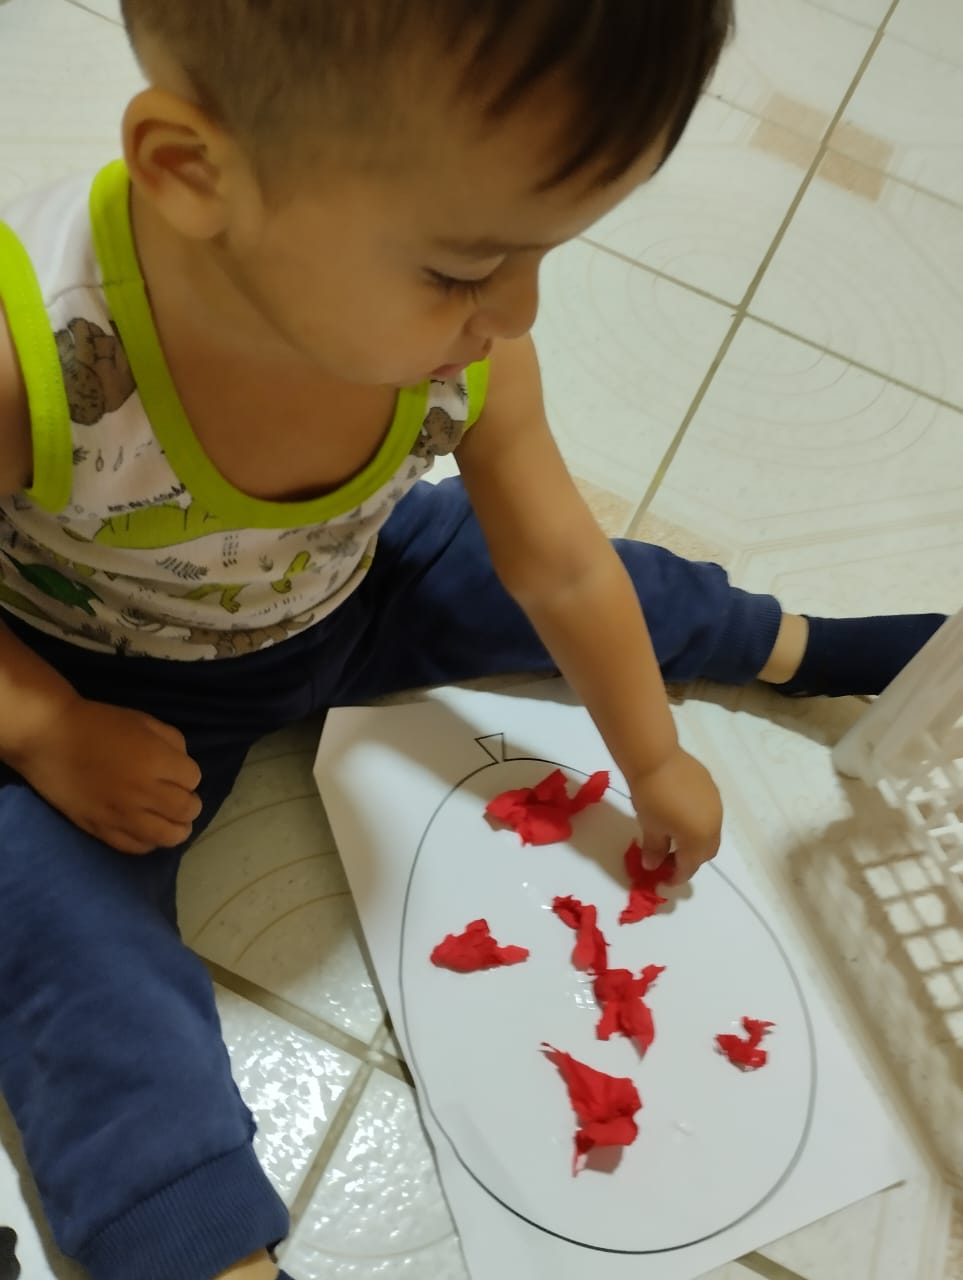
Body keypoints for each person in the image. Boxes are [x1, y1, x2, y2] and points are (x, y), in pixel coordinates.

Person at [0, 2, 945, 1277]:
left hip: (348, 591)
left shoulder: (472, 345)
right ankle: (202, 1238)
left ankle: (793, 646)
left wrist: (653, 756)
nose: (517, 309)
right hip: (95, 671)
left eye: (545, 252)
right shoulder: (36, 352)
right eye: (463, 268)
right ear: (192, 172)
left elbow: (559, 563)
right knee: (51, 922)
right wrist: (46, 725)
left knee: (583, 572)